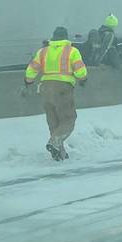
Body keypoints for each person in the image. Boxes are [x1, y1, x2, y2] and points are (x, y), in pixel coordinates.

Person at [24, 27, 88, 160]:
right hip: (63, 89)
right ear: (66, 37)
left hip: (45, 88)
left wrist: (28, 82)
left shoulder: (43, 51)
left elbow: (31, 70)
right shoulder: (72, 51)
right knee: (68, 120)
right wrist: (82, 79)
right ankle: (55, 142)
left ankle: (59, 152)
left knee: (54, 122)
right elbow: (80, 71)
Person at [87, 13, 122, 99]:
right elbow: (104, 49)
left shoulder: (100, 32)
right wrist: (97, 63)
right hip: (111, 59)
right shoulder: (109, 34)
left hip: (107, 58)